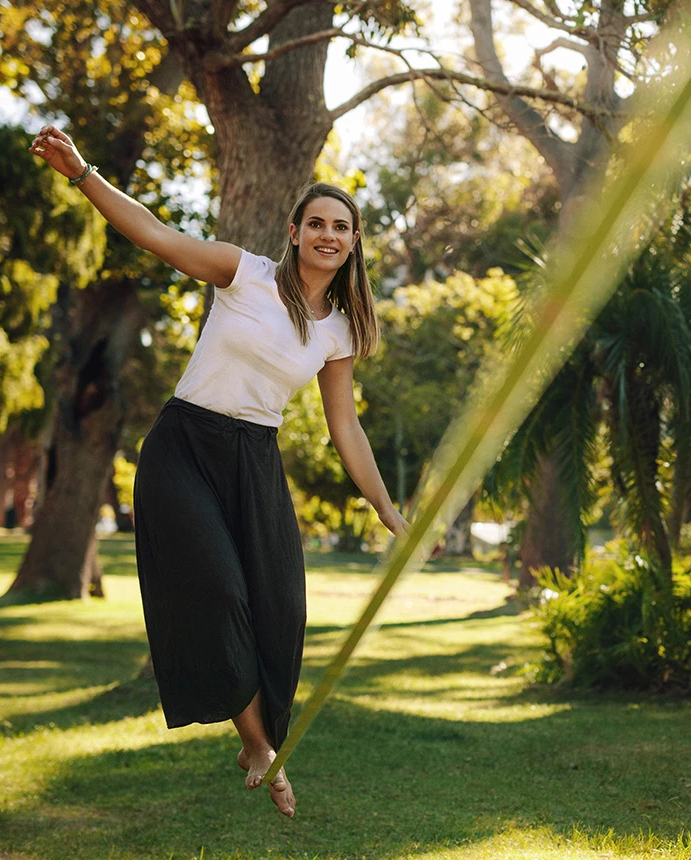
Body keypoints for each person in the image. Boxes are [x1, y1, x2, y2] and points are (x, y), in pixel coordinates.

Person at [30, 125, 409, 818]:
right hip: (183, 449)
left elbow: (344, 425)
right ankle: (258, 746)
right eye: (316, 223)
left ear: (353, 244)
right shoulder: (246, 273)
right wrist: (82, 171)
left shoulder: (339, 330)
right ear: (294, 232)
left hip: (255, 460)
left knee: (283, 609)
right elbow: (152, 232)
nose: (328, 235)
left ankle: (256, 740)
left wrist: (386, 507)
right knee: (220, 591)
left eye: (342, 228)